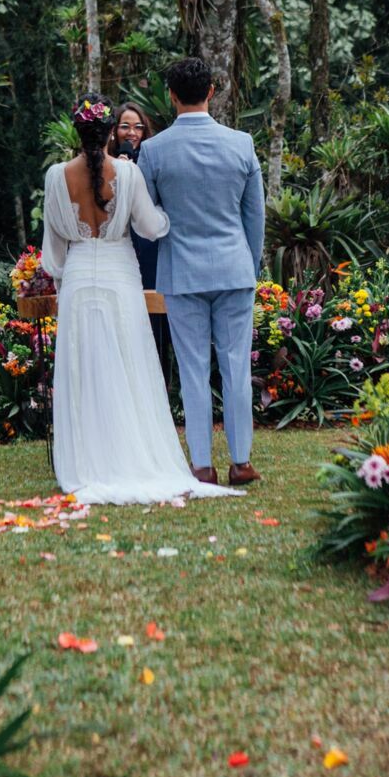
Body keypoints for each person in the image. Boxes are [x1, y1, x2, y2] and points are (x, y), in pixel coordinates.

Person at [40, 94, 242, 505]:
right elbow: (151, 227)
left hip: (79, 279)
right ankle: (133, 454)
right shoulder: (129, 174)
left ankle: (89, 462)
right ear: (111, 131)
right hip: (120, 277)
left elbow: (53, 254)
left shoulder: (55, 175)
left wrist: (69, 268)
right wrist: (171, 216)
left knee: (85, 370)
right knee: (129, 368)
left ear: (77, 132)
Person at [137, 57, 264, 487]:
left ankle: (201, 465)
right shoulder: (242, 144)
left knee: (192, 370)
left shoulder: (152, 151)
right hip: (234, 268)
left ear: (170, 95)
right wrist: (251, 265)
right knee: (235, 368)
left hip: (182, 272)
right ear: (211, 90)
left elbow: (148, 219)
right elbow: (255, 218)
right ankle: (241, 461)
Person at [108, 101, 171, 379]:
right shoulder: (106, 162)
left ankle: (162, 373)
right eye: (125, 126)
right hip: (119, 243)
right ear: (114, 131)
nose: (131, 133)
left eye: (137, 127)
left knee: (155, 308)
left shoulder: (153, 160)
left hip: (149, 242)